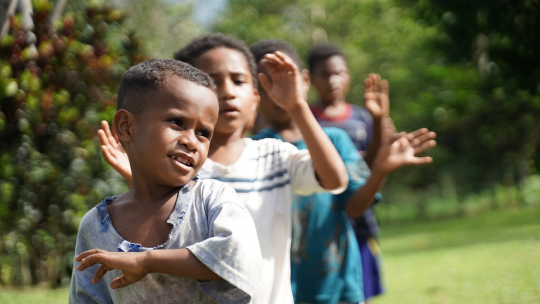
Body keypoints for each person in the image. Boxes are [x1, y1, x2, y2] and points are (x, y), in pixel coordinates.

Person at [97, 34, 349, 304]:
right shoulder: (180, 170)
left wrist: (297, 105)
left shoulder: (274, 155)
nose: (227, 91)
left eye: (238, 80)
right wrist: (139, 178)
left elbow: (334, 180)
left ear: (255, 97)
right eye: (212, 81)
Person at [250, 40, 436, 304]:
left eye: (284, 79)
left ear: (303, 81)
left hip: (337, 286)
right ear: (254, 91)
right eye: (266, 83)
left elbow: (355, 207)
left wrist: (379, 170)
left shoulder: (334, 140)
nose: (277, 91)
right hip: (275, 291)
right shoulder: (252, 149)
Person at [69, 59, 262, 304]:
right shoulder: (95, 226)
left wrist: (146, 261)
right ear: (126, 127)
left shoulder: (212, 200)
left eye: (203, 133)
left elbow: (239, 258)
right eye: (177, 123)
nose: (192, 142)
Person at [307, 43, 392, 302]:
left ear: (348, 75)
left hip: (360, 220)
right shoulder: (307, 120)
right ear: (311, 80)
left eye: (339, 73)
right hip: (320, 221)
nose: (333, 80)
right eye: (325, 74)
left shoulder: (363, 118)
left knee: (359, 291)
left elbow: (374, 164)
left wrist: (379, 120)